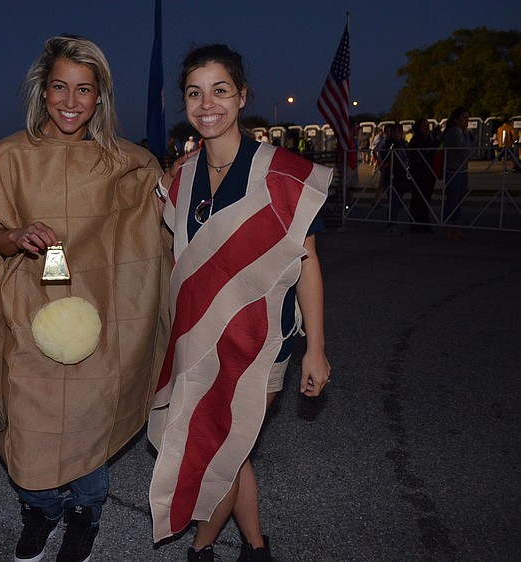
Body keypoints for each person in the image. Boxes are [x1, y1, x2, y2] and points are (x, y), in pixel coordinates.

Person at [0, 35, 170, 562]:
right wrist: (15, 237)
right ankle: (39, 509)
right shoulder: (10, 157)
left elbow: (148, 231)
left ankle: (86, 513)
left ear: (100, 96)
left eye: (84, 89)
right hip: (28, 315)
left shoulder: (125, 164)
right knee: (30, 427)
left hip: (99, 319)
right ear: (42, 91)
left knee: (88, 418)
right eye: (59, 86)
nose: (70, 100)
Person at [147, 44, 332, 562]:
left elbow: (309, 264)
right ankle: (255, 548)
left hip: (261, 343)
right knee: (237, 448)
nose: (208, 104)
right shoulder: (181, 178)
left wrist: (316, 348)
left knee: (223, 449)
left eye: (220, 90)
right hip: (200, 340)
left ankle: (200, 550)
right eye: (195, 93)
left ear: (242, 96)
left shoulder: (284, 174)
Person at [441, 107, 474, 241]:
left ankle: (456, 228)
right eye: (465, 118)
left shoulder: (463, 132)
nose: (467, 120)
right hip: (453, 169)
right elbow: (463, 151)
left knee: (458, 200)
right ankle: (448, 229)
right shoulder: (454, 132)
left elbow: (468, 149)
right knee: (452, 200)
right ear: (456, 119)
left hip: (462, 169)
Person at [407, 118, 439, 233]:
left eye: (428, 126)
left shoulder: (430, 139)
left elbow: (436, 148)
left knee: (426, 199)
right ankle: (415, 224)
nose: (427, 129)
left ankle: (424, 223)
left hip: (429, 173)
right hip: (419, 173)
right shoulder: (416, 140)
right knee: (417, 199)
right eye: (424, 126)